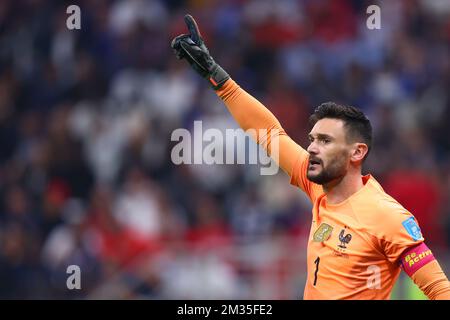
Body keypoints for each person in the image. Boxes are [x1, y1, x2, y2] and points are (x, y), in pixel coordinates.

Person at [171, 14, 450, 300]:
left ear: (357, 152)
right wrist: (217, 77)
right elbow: (267, 131)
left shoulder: (387, 216)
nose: (313, 148)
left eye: (326, 141)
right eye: (313, 140)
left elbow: (441, 290)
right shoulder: (317, 184)